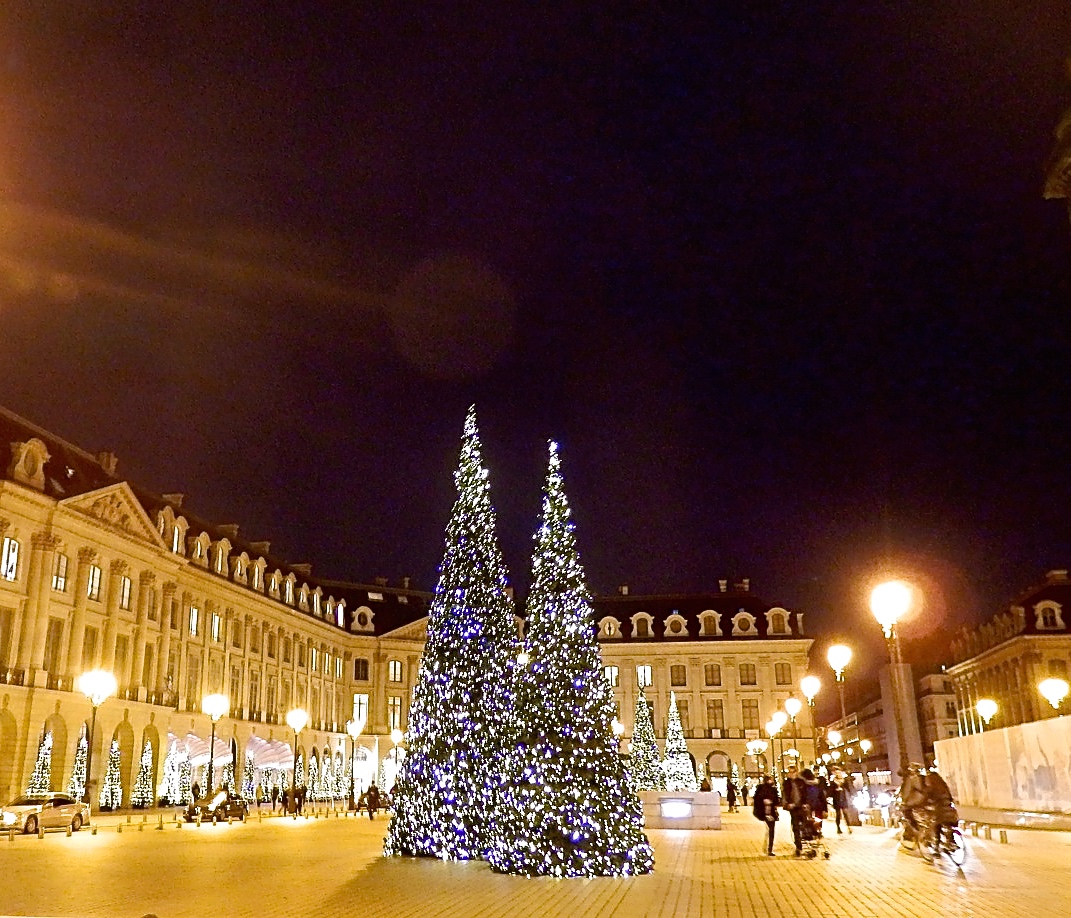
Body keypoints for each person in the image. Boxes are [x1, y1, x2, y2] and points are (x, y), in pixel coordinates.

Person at [752, 775, 780, 856]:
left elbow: (776, 801)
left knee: (771, 830)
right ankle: (768, 849)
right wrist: (765, 802)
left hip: (771, 812)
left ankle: (769, 848)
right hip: (764, 812)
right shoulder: (761, 788)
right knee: (771, 829)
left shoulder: (773, 789)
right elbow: (757, 800)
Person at [782, 765, 807, 856]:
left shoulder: (801, 781)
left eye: (792, 772)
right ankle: (798, 846)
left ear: (796, 772)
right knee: (795, 826)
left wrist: (805, 803)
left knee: (804, 824)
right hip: (793, 807)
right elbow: (785, 794)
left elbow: (805, 793)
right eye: (789, 772)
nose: (791, 774)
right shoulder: (786, 783)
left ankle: (804, 839)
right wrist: (787, 804)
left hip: (801, 806)